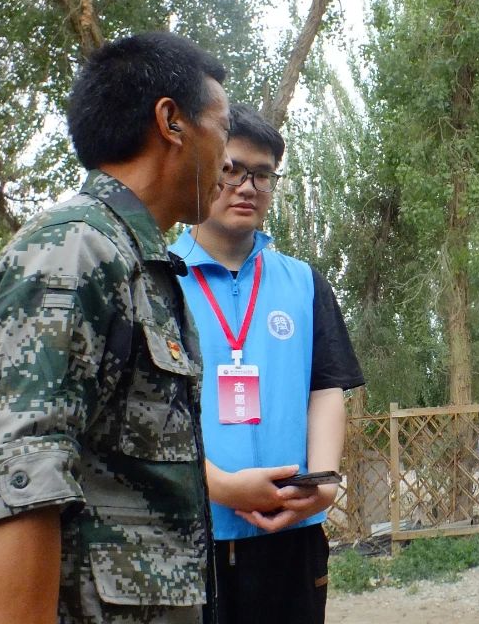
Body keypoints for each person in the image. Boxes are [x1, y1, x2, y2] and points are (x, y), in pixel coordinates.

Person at [0, 31, 233, 624]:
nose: (228, 159)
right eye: (223, 129)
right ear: (171, 122)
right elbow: (18, 483)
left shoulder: (135, 262)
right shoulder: (74, 251)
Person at [169, 104, 365, 624]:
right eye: (231, 169)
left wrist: (324, 484)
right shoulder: (159, 277)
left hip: (293, 532)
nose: (247, 187)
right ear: (203, 166)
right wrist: (216, 485)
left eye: (262, 174)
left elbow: (326, 387)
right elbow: (143, 410)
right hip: (190, 532)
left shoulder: (304, 283)